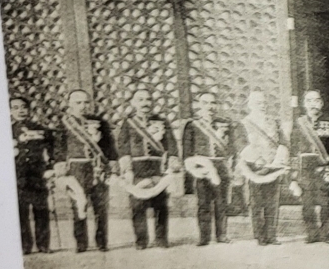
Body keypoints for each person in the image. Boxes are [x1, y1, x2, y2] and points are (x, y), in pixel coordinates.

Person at [53, 89, 118, 253]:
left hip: (98, 167)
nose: (83, 106)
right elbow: (59, 146)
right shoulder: (64, 123)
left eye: (86, 102)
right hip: (77, 169)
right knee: (78, 205)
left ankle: (102, 242)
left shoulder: (99, 122)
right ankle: (81, 243)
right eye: (78, 103)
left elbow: (109, 145)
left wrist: (112, 162)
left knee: (101, 206)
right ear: (70, 104)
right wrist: (60, 163)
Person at [117, 89, 180, 249]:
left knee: (160, 204)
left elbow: (171, 144)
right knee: (137, 205)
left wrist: (172, 162)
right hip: (137, 168)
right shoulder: (128, 123)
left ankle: (161, 239)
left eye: (148, 99)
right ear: (133, 103)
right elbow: (123, 147)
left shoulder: (162, 122)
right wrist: (127, 169)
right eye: (140, 100)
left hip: (157, 167)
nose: (145, 103)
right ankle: (141, 240)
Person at [234, 90, 289, 246]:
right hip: (255, 168)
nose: (262, 106)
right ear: (250, 105)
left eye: (264, 103)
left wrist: (280, 157)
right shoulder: (243, 123)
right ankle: (260, 236)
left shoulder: (274, 122)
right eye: (258, 103)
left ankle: (272, 235)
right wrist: (256, 158)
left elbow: (283, 142)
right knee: (257, 203)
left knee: (273, 202)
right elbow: (240, 144)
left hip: (274, 166)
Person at [182, 91, 234, 246]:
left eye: (213, 103)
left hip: (221, 167)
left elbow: (232, 147)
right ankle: (204, 237)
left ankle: (221, 235)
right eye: (205, 103)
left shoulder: (225, 124)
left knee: (221, 203)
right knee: (203, 203)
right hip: (202, 168)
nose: (210, 107)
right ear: (199, 105)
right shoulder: (192, 125)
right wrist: (193, 168)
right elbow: (187, 151)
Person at [289, 91, 329, 244]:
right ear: (304, 104)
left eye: (316, 100)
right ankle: (312, 234)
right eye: (309, 101)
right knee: (307, 204)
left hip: (325, 167)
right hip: (305, 169)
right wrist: (293, 174)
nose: (313, 104)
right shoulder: (299, 123)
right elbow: (293, 149)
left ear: (322, 103)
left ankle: (325, 234)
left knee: (326, 202)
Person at [10, 96, 55, 254]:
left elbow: (51, 150)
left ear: (29, 109)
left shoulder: (41, 129)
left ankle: (43, 245)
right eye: (15, 108)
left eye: (23, 107)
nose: (20, 111)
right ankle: (25, 246)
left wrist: (50, 168)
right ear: (10, 111)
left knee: (41, 210)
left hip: (37, 175)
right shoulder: (5, 130)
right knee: (20, 212)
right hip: (17, 175)